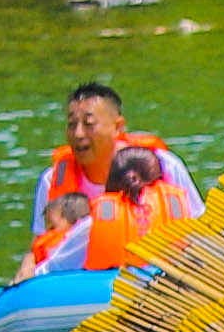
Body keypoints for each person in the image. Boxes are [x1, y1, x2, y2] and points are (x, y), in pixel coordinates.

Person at [24, 83, 198, 255]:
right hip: (84, 278)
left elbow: (200, 230)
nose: (78, 134)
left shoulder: (165, 166)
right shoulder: (51, 180)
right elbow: (39, 250)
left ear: (118, 127)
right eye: (71, 124)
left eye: (89, 124)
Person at [31, 144, 200, 277]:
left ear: (110, 183)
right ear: (159, 181)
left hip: (103, 300)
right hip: (173, 296)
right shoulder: (183, 218)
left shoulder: (91, 226)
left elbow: (50, 271)